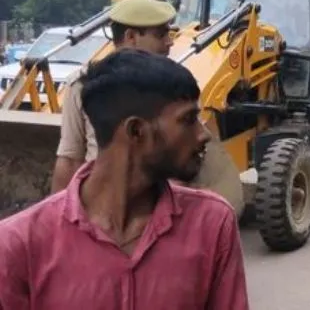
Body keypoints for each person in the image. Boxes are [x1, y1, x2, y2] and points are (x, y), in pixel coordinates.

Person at [0, 49, 249, 308]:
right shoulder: (19, 245)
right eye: (187, 120)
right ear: (136, 131)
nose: (203, 134)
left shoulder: (212, 223)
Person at [51, 0, 244, 217]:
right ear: (131, 36)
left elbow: (188, 159)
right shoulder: (82, 86)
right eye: (161, 34)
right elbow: (69, 158)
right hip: (105, 208)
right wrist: (60, 220)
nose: (170, 42)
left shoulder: (177, 86)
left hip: (163, 208)